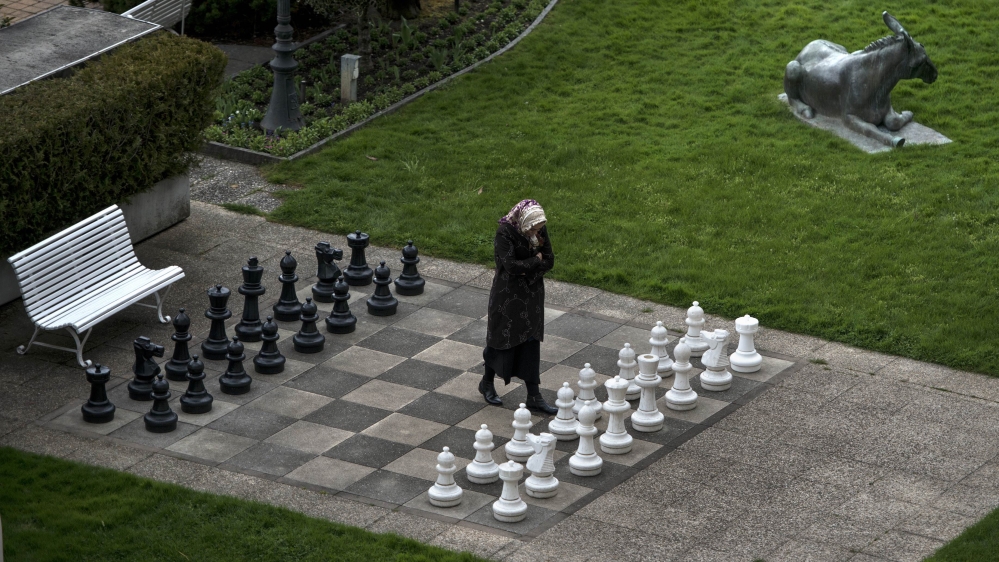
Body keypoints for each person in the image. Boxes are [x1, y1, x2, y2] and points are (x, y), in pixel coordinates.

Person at [479, 199, 557, 415]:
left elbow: (549, 260)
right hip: (507, 296)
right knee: (500, 341)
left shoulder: (539, 227)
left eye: (538, 229)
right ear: (524, 221)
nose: (535, 233)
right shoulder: (504, 233)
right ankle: (487, 383)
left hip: (532, 296)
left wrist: (529, 268)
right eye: (532, 229)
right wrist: (536, 261)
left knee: (531, 342)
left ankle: (534, 396)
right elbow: (511, 266)